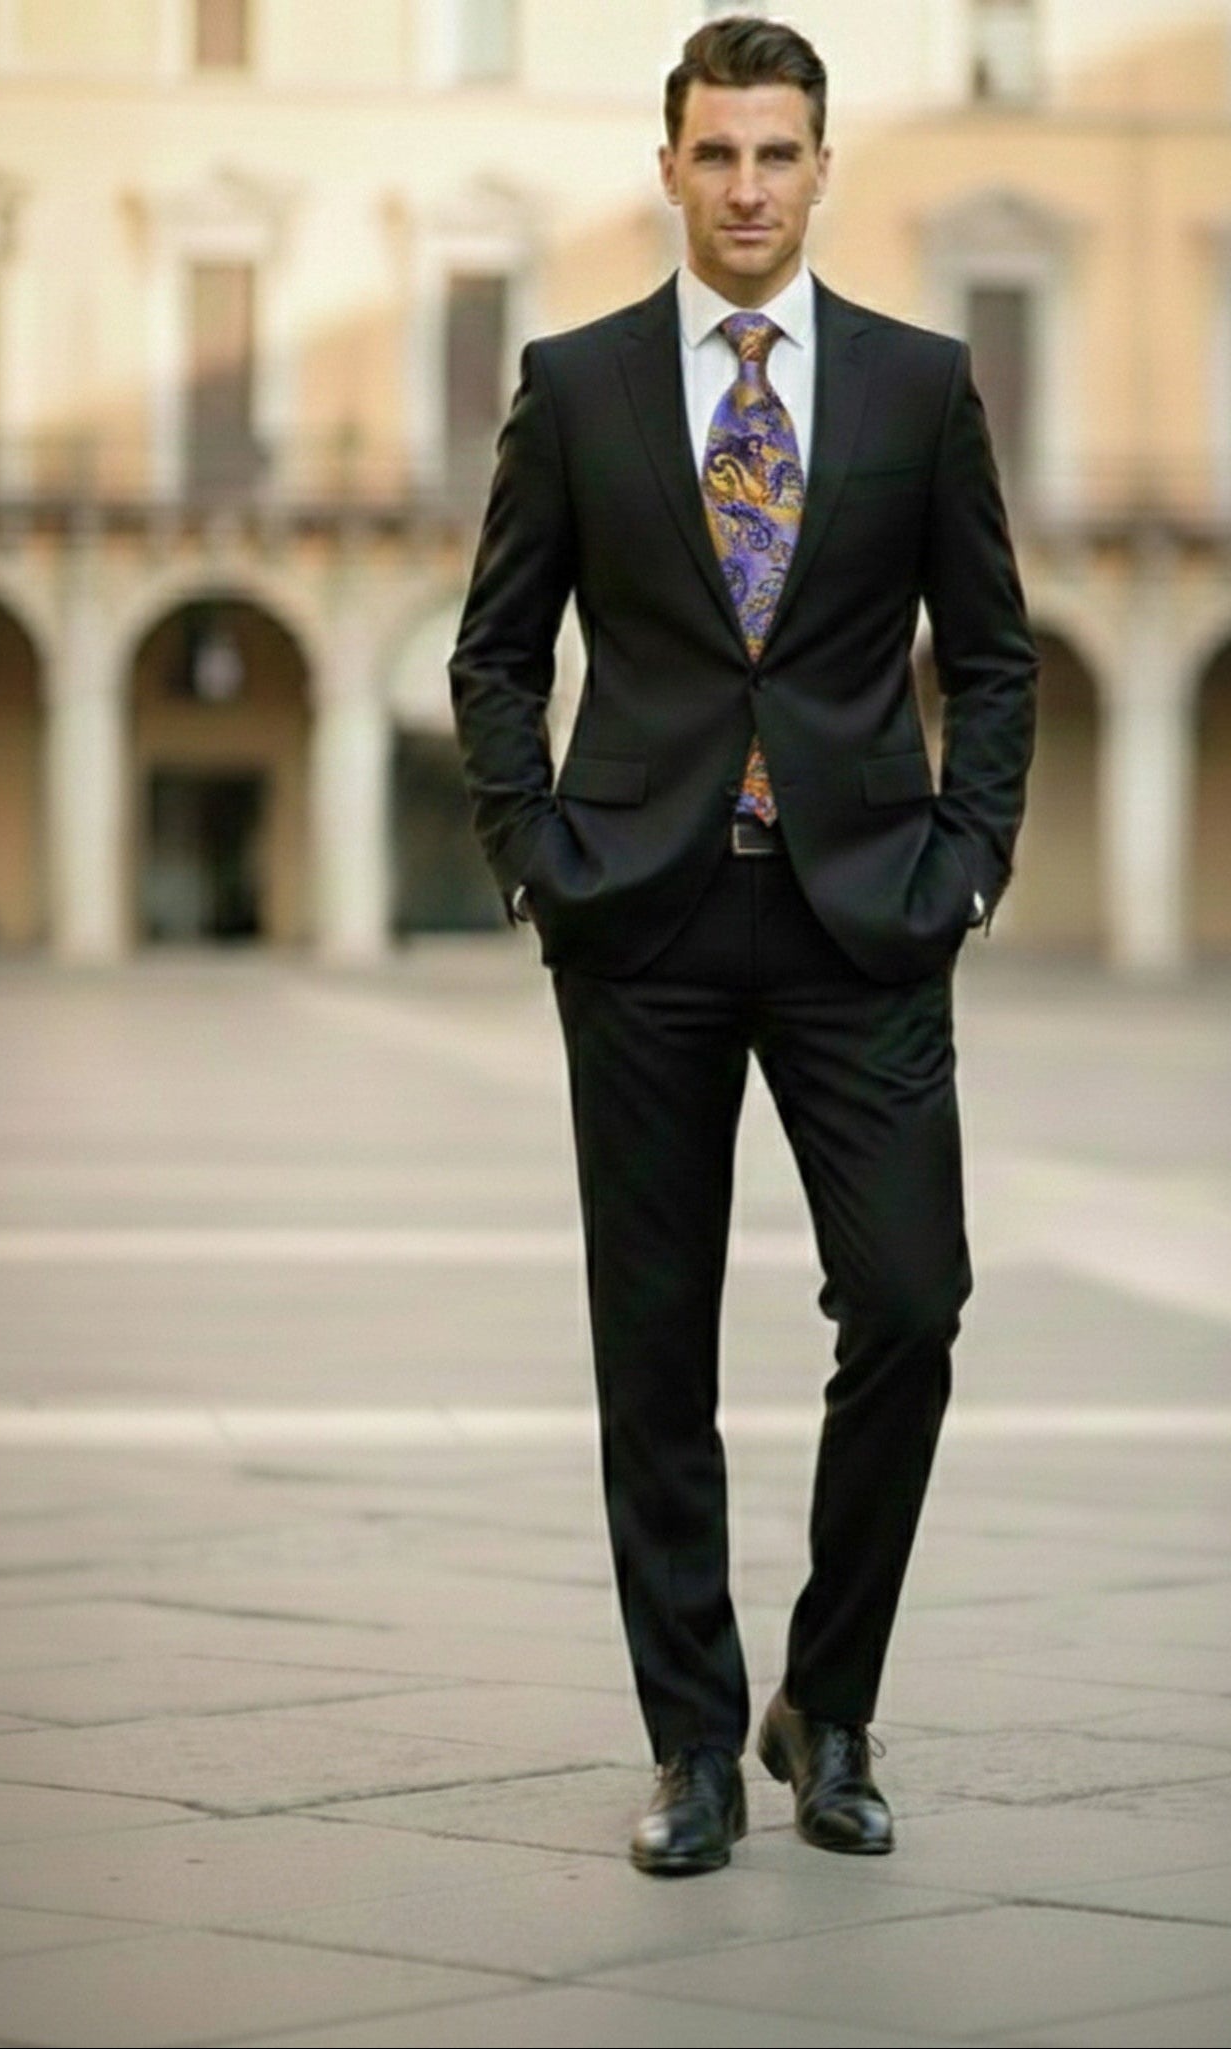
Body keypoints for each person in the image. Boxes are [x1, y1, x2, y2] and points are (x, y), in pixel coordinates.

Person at [450, 14, 1037, 1876]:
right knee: (654, 1345)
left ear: (822, 166)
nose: (749, 187)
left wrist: (967, 864)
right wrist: (537, 854)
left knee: (916, 1306)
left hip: (867, 918)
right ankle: (695, 1744)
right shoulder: (580, 380)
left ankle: (829, 1699)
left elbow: (997, 657)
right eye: (717, 154)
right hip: (647, 916)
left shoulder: (921, 387)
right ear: (671, 169)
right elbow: (493, 651)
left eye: (779, 153)